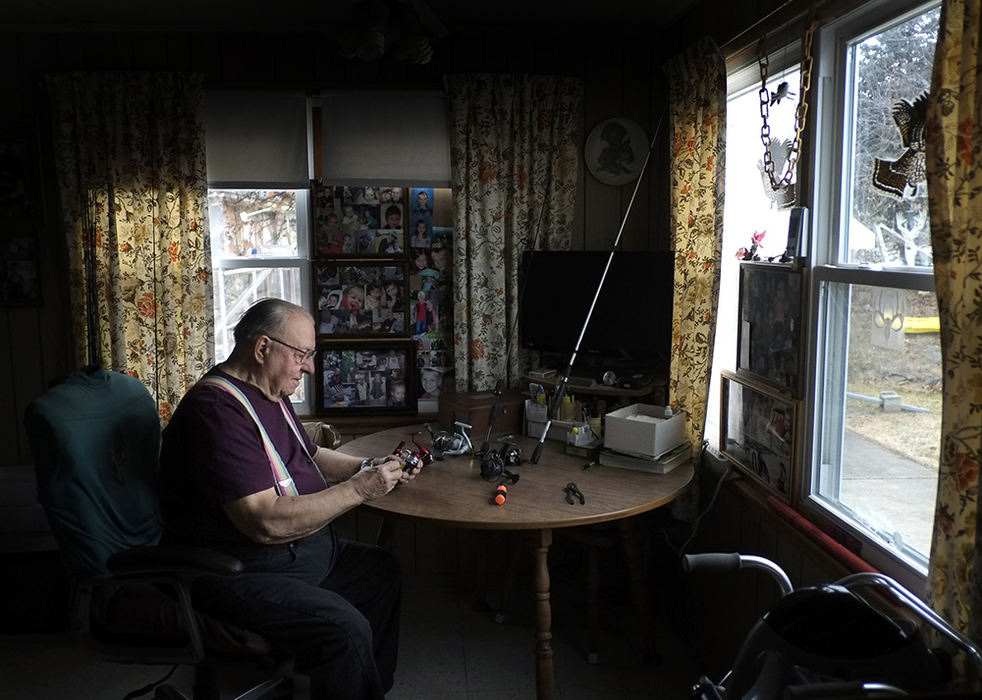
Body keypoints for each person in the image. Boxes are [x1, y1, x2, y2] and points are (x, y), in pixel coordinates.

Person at [158, 298, 417, 700]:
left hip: (301, 554)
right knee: (345, 629)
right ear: (262, 349)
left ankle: (365, 689)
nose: (310, 367)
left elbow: (308, 455)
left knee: (381, 572)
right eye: (302, 355)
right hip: (241, 571)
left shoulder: (270, 392)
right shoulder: (216, 410)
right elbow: (264, 521)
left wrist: (369, 465)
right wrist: (362, 488)